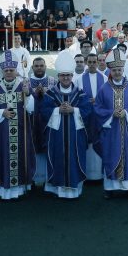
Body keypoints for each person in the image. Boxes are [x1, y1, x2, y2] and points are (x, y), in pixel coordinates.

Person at [0, 51, 36, 200]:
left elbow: (31, 109)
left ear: (16, 70)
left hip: (20, 131)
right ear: (2, 71)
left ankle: (19, 189)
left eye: (11, 70)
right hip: (1, 133)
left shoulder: (24, 86)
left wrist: (28, 94)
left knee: (21, 157)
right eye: (6, 70)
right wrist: (1, 112)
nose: (8, 72)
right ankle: (3, 191)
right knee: (2, 158)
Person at [41, 52, 92, 199]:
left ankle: (74, 189)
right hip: (56, 136)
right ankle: (57, 189)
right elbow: (43, 111)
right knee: (57, 157)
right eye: (62, 75)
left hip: (75, 136)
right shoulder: (50, 94)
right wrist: (57, 110)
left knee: (74, 158)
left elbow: (88, 111)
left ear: (72, 76)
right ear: (58, 76)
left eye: (68, 75)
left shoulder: (80, 94)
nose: (65, 78)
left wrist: (74, 110)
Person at [94, 50, 128, 199]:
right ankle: (110, 188)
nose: (116, 73)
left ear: (123, 70)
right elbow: (97, 108)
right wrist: (111, 114)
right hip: (111, 133)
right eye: (114, 70)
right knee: (110, 155)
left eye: (119, 70)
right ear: (110, 70)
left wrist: (127, 113)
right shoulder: (104, 88)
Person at [76, 53, 106, 181]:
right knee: (86, 145)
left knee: (100, 143)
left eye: (95, 62)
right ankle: (87, 174)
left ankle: (100, 174)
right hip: (85, 118)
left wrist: (97, 101)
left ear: (98, 63)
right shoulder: (79, 79)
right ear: (86, 63)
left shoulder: (104, 78)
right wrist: (88, 102)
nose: (93, 64)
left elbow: (108, 98)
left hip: (100, 118)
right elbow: (76, 98)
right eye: (90, 62)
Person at [26, 58, 55, 185]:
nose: (39, 68)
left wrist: (45, 96)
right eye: (36, 66)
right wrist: (33, 96)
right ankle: (32, 177)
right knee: (31, 147)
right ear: (32, 68)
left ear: (45, 67)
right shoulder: (26, 82)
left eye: (41, 65)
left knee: (47, 148)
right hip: (30, 121)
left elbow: (57, 100)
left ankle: (47, 177)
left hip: (48, 122)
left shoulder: (53, 82)